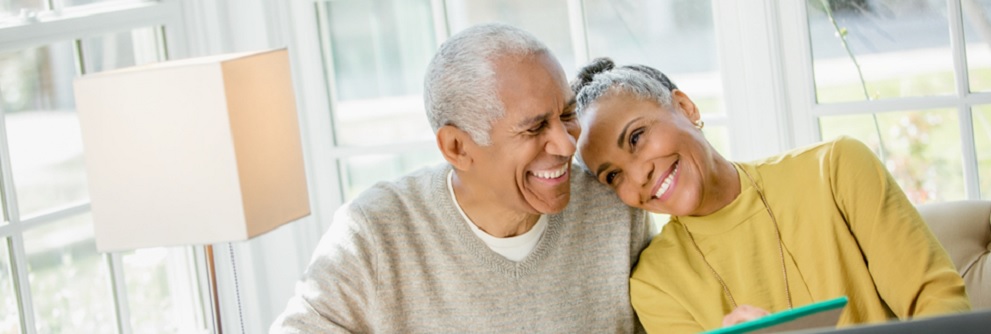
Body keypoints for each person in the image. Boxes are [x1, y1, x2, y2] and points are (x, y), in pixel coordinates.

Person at [270, 25, 653, 333]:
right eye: (535, 128)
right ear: (456, 148)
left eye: (567, 114)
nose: (567, 146)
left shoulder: (612, 203)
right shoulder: (375, 231)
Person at [570, 58, 971, 333]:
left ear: (685, 106)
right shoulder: (655, 283)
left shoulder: (835, 169)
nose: (639, 176)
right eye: (613, 175)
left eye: (637, 137)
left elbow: (940, 305)